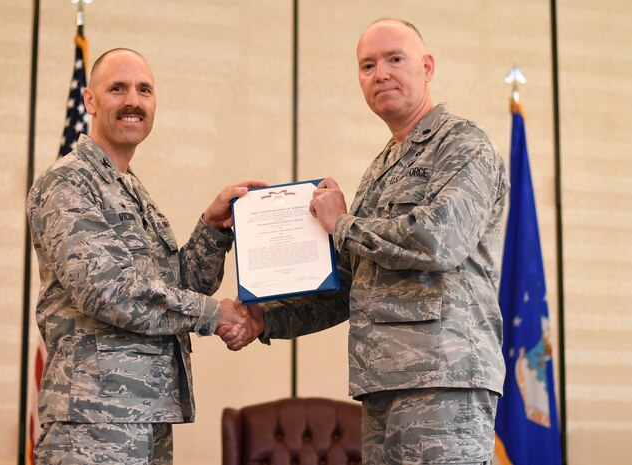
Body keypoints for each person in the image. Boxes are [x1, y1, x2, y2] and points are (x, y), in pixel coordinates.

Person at [219, 19, 509, 465]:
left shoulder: (464, 144)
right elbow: (350, 285)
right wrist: (266, 320)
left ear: (427, 66)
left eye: (396, 59)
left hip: (443, 379)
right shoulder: (381, 167)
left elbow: (440, 241)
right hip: (381, 385)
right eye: (367, 65)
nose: (381, 74)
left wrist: (343, 224)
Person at [27, 48, 263, 464]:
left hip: (147, 413)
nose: (133, 100)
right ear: (90, 101)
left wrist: (213, 228)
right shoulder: (68, 183)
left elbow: (175, 289)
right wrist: (215, 315)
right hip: (93, 421)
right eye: (117, 88)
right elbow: (107, 291)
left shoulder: (131, 189)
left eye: (144, 90)